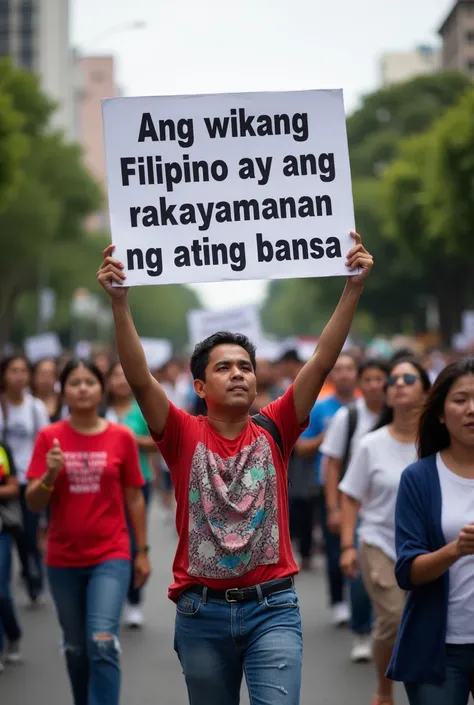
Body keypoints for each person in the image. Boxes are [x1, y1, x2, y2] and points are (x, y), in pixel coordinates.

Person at [97, 231, 373, 705]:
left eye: (245, 365)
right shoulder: (181, 433)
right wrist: (120, 305)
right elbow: (139, 376)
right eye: (224, 368)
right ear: (200, 387)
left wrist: (352, 288)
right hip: (200, 612)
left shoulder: (277, 427)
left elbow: (323, 359)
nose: (239, 373)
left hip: (274, 609)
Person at [25, 359, 151, 705]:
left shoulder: (121, 436)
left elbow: (134, 497)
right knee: (77, 648)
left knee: (101, 641)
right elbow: (33, 503)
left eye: (89, 382)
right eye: (74, 383)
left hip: (110, 555)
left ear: (101, 389)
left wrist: (142, 551)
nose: (82, 388)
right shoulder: (49, 438)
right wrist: (49, 476)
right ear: (63, 391)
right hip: (63, 559)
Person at [339, 358, 431, 705]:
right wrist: (347, 545)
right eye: (393, 380)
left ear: (426, 390)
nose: (398, 384)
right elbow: (350, 496)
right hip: (379, 542)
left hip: (430, 548)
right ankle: (384, 689)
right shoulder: (371, 444)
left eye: (409, 378)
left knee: (426, 621)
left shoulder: (440, 443)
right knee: (394, 617)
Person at [387, 358, 474, 705]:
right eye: (460, 400)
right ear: (440, 413)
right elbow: (407, 571)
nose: (472, 409)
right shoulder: (419, 478)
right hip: (438, 647)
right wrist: (456, 549)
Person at [322, 357, 388, 662]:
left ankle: (392, 630)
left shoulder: (403, 416)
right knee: (360, 571)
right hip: (359, 509)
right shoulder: (347, 418)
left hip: (396, 508)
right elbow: (332, 464)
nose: (375, 385)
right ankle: (362, 631)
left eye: (381, 379)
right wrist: (334, 507)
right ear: (361, 384)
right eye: (369, 379)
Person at [294, 352, 358, 623]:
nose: (344, 374)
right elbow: (302, 448)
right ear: (332, 375)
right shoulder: (320, 408)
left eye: (349, 369)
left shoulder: (369, 406)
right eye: (339, 369)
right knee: (335, 548)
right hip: (329, 487)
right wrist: (329, 436)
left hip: (365, 489)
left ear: (357, 375)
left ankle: (363, 603)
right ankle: (339, 601)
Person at [105, 361, 156, 628]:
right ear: (108, 381)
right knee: (111, 541)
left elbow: (157, 442)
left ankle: (134, 601)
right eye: (115, 375)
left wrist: (131, 440)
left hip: (138, 482)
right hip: (104, 485)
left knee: (134, 541)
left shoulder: (141, 410)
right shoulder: (100, 411)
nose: (120, 381)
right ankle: (110, 597)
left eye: (125, 376)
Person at [0, 355, 49, 605]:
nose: (19, 376)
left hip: (30, 480)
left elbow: (45, 441)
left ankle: (35, 579)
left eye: (23, 370)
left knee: (29, 536)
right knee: (9, 535)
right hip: (4, 484)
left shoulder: (35, 407)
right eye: (13, 370)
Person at [0, 439, 23, 671]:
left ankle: (14, 634)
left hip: (2, 530)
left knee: (2, 592)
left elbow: (14, 487)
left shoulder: (2, 448)